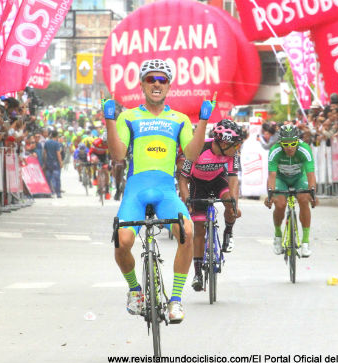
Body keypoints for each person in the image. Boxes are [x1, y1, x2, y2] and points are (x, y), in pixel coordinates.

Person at [102, 59, 216, 323]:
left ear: (169, 85)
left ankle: (175, 300)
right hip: (136, 191)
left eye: (162, 79)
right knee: (122, 242)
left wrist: (203, 122)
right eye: (151, 79)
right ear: (142, 84)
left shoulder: (179, 119)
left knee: (187, 232)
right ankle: (135, 291)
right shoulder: (128, 116)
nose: (156, 83)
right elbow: (118, 155)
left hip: (166, 191)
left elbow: (192, 154)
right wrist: (109, 120)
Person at [178, 119, 243, 291]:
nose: (237, 149)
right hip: (198, 184)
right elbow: (183, 179)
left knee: (230, 202)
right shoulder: (198, 149)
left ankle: (228, 232)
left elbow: (233, 180)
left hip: (218, 181)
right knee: (199, 228)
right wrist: (187, 201)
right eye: (234, 145)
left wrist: (233, 204)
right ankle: (198, 273)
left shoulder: (232, 155)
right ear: (222, 142)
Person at [264, 124, 317, 257]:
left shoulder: (305, 149)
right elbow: (271, 175)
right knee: (280, 204)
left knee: (304, 199)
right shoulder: (275, 150)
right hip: (280, 180)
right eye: (285, 144)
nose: (289, 147)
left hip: (300, 178)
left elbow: (311, 174)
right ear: (280, 142)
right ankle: (277, 236)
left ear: (297, 141)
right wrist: (270, 195)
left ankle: (305, 242)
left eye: (293, 143)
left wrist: (313, 194)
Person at [43, 130, 63, 198]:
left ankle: (49, 192)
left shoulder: (47, 142)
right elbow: (58, 154)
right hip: (55, 163)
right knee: (57, 178)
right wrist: (60, 163)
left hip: (48, 162)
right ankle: (58, 194)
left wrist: (45, 162)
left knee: (48, 178)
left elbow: (44, 153)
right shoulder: (56, 143)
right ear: (57, 136)